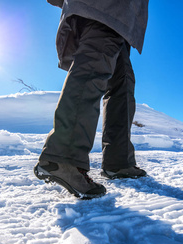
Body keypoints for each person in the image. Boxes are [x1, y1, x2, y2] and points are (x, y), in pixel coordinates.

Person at [34, 0, 149, 199]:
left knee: (123, 83)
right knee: (94, 65)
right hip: (102, 8)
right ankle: (63, 157)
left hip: (123, 18)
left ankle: (118, 162)